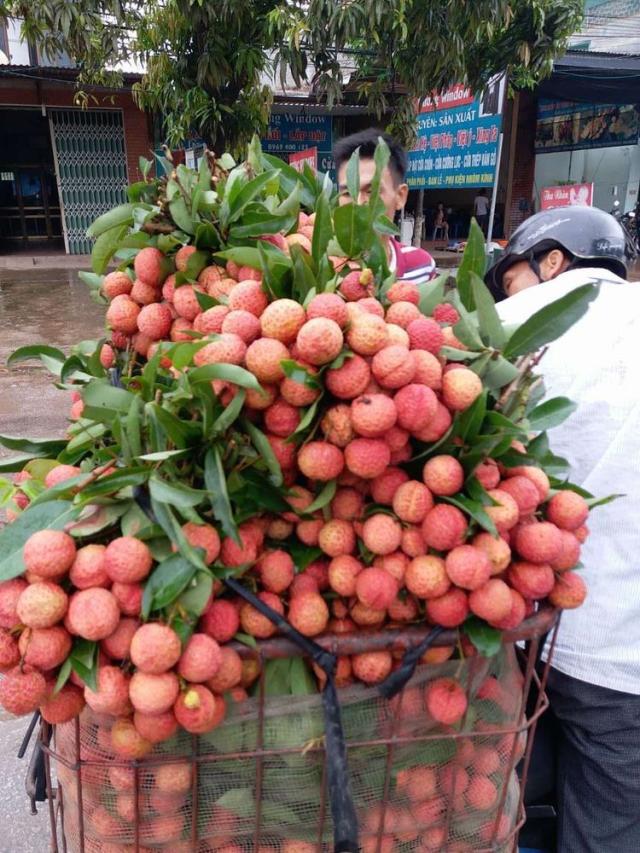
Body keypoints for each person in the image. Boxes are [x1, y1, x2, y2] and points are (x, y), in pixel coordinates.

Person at [486, 205, 640, 853]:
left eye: (511, 275)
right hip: (624, 655)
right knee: (605, 828)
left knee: (500, 808)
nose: (508, 294)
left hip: (521, 632)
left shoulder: (507, 327)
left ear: (552, 261)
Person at [333, 128, 436, 283]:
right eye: (347, 193)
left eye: (372, 192)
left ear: (400, 196)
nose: (359, 204)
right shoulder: (325, 267)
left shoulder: (421, 267)